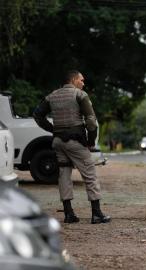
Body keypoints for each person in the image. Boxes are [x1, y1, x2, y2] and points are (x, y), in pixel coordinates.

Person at [33, 70, 111, 224]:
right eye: (81, 80)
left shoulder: (52, 96)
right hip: (75, 141)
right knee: (90, 174)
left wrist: (52, 129)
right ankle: (96, 214)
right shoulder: (80, 95)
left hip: (58, 142)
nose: (83, 83)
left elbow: (37, 115)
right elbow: (91, 121)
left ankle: (69, 214)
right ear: (74, 80)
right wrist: (91, 141)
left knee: (63, 175)